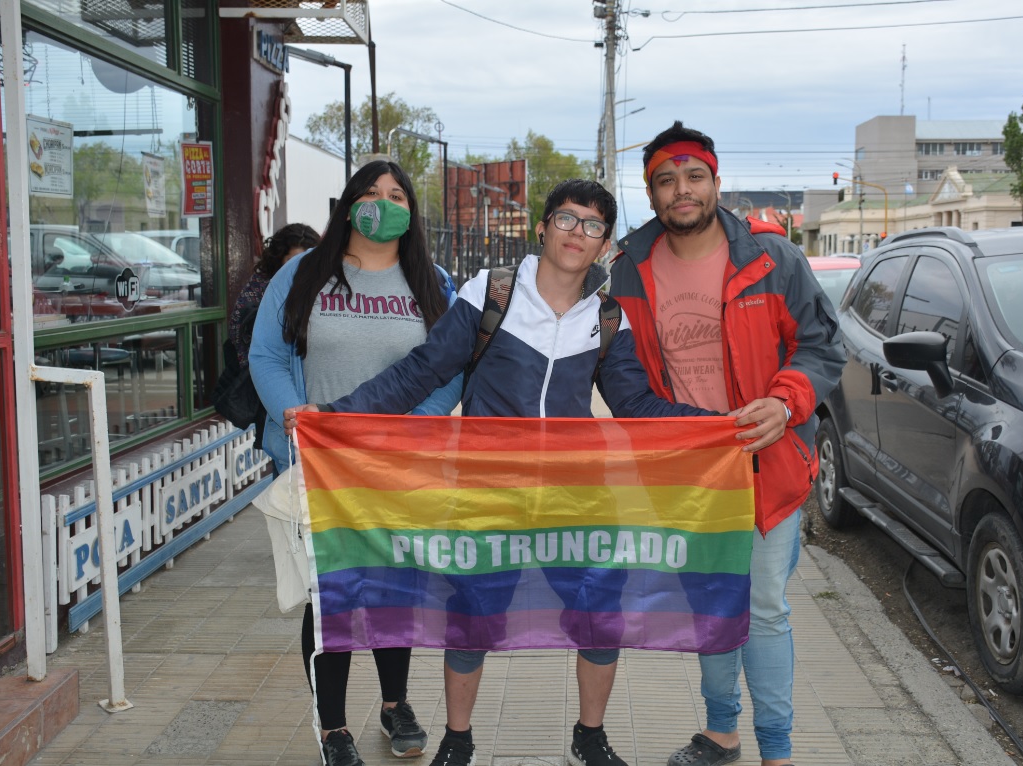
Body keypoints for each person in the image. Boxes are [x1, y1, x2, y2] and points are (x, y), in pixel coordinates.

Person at [283, 179, 726, 766]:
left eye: (593, 226)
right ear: (542, 228)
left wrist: (720, 427)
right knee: (472, 619)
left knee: (601, 615)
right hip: (486, 492)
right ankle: (458, 740)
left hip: (574, 496)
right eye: (566, 219)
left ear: (604, 246)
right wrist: (334, 415)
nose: (577, 234)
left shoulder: (607, 317)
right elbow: (421, 371)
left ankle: (589, 737)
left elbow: (637, 406)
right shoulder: (491, 293)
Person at [609, 122, 846, 766]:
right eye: (666, 180)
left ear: (716, 182)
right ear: (651, 192)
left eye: (694, 177)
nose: (681, 191)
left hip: (768, 462)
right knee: (713, 603)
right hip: (689, 471)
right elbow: (621, 373)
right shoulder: (628, 272)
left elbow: (823, 345)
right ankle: (721, 732)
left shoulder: (774, 259)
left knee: (764, 608)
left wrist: (786, 399)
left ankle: (778, 750)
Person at [249, 160, 461, 766]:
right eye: (370, 193)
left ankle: (395, 704)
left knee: (393, 590)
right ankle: (333, 727)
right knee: (332, 596)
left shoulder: (432, 282)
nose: (382, 203)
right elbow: (265, 355)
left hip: (396, 465)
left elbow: (450, 370)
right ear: (348, 203)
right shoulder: (302, 273)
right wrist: (297, 419)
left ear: (411, 213)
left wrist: (408, 433)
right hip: (318, 463)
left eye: (396, 195)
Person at [225, 223, 319, 447]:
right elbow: (250, 346)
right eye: (293, 261)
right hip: (275, 399)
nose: (300, 268)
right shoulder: (264, 292)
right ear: (279, 261)